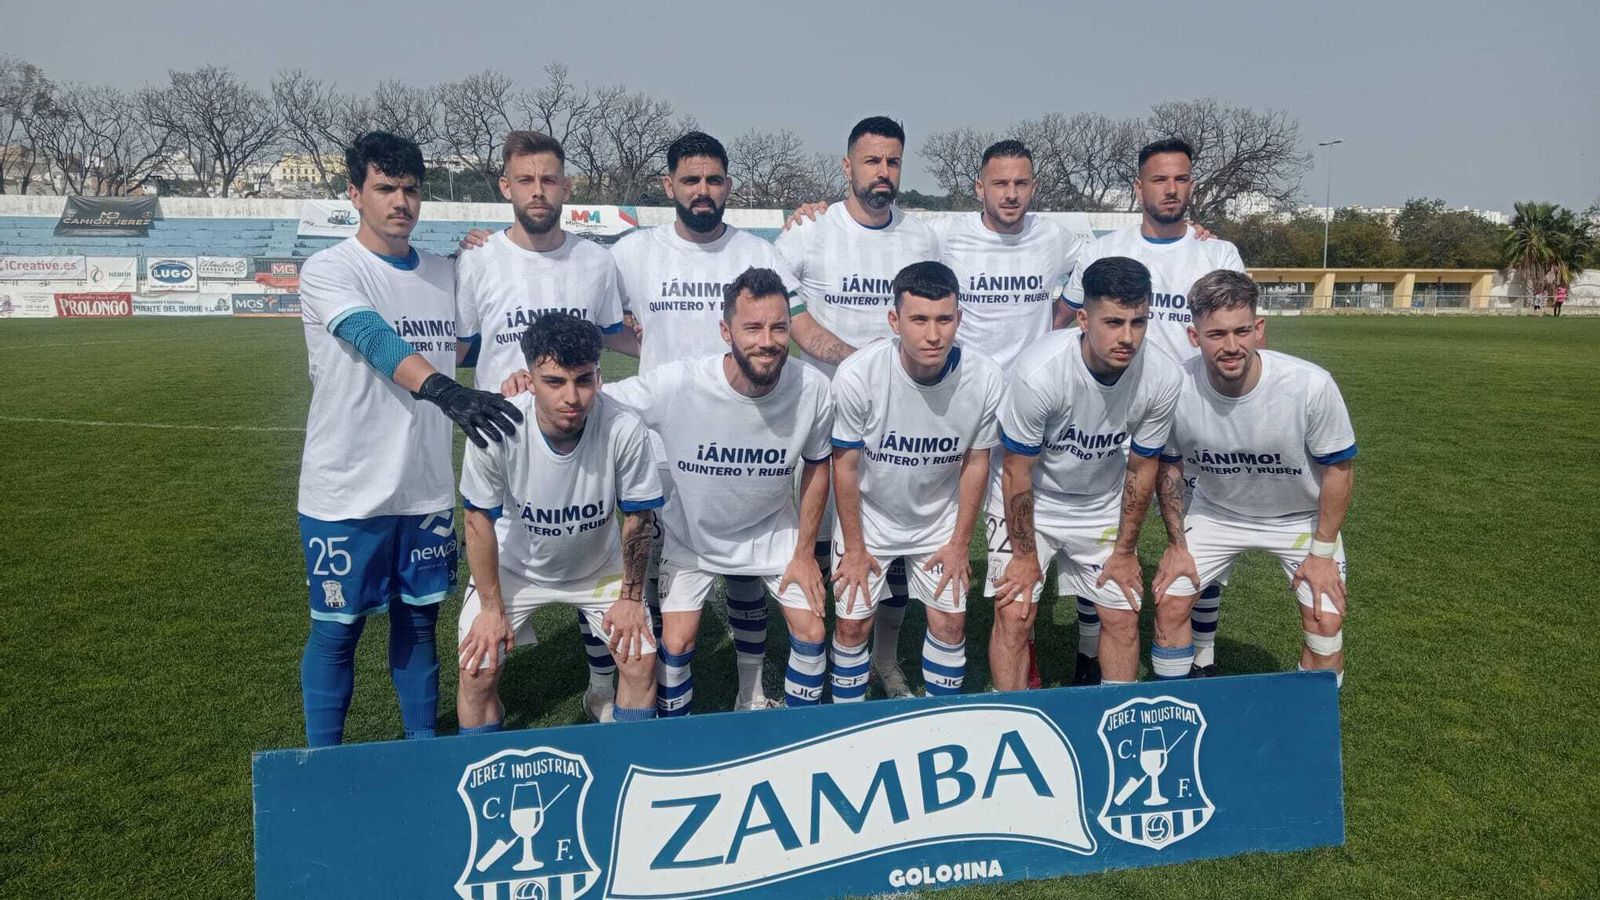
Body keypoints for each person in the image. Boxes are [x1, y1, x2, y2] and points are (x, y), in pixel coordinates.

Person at [296, 131, 522, 747]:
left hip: (423, 487)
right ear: (354, 194)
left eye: (411, 190)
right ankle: (326, 761)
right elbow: (374, 339)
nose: (401, 201)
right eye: (385, 188)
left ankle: (421, 747)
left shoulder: (447, 274)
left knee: (420, 625)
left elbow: (484, 342)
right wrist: (447, 392)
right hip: (344, 490)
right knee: (338, 629)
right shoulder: (330, 269)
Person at [455, 130, 637, 722]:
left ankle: (603, 686)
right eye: (526, 180)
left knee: (590, 547)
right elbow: (458, 347)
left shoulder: (595, 260)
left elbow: (615, 337)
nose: (538, 191)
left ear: (566, 186)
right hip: (505, 451)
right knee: (484, 637)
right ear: (506, 186)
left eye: (549, 179)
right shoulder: (478, 260)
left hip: (579, 441)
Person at [600, 267, 834, 711]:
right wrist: (522, 390)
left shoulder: (813, 390)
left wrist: (804, 553)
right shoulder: (679, 383)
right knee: (679, 641)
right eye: (752, 327)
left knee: (812, 631)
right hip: (692, 539)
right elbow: (599, 399)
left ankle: (789, 726)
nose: (767, 340)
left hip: (773, 534)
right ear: (726, 331)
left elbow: (818, 465)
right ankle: (681, 739)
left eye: (779, 327)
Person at [1063, 137, 1246, 683]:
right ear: (1139, 187)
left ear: (1192, 184)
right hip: (1113, 413)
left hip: (1193, 415)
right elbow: (1071, 320)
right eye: (1160, 179)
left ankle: (1202, 657)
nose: (1171, 189)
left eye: (1182, 178)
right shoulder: (1104, 248)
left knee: (1194, 534)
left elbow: (1237, 331)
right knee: (1099, 531)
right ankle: (1088, 651)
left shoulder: (1218, 253)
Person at [774, 115, 941, 697]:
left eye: (893, 162)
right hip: (821, 412)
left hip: (899, 419)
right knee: (821, 543)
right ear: (847, 167)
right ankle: (815, 656)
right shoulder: (810, 232)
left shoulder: (921, 237)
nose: (883, 172)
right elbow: (788, 313)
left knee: (888, 545)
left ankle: (885, 661)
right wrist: (853, 364)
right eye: (872, 161)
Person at [455, 313, 663, 733]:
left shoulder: (624, 427)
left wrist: (629, 598)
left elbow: (639, 519)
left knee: (640, 661)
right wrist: (491, 609)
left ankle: (627, 765)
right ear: (529, 378)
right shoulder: (497, 428)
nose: (573, 397)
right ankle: (481, 773)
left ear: (598, 377)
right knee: (477, 668)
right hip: (515, 570)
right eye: (554, 382)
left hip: (598, 569)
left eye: (584, 380)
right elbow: (477, 522)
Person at [1152, 270, 1355, 685]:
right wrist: (1177, 545)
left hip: (1299, 518)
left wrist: (1320, 554)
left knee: (1325, 619)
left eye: (1241, 331)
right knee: (1170, 601)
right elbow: (1169, 466)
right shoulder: (1175, 387)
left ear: (1259, 329)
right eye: (1216, 334)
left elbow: (1339, 470)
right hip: (1217, 512)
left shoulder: (1310, 385)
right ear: (1194, 336)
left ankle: (1307, 723)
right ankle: (1179, 705)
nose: (1231, 346)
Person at [987, 256, 1181, 690]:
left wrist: (1127, 550)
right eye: (1113, 322)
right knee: (1015, 614)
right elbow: (1017, 473)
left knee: (1124, 614)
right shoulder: (1039, 373)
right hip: (1032, 499)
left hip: (1099, 503)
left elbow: (1142, 467)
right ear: (1082, 318)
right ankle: (1012, 716)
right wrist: (1022, 556)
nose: (1127, 337)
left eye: (1139, 322)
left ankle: (1116, 717)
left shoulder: (1162, 376)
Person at [829, 261, 1002, 701]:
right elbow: (844, 465)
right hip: (869, 518)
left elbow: (976, 462)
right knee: (852, 624)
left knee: (949, 621)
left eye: (945, 320)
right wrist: (854, 547)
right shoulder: (857, 375)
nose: (933, 334)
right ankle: (848, 725)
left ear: (959, 319)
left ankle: (937, 722)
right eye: (919, 320)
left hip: (937, 520)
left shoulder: (984, 378)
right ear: (895, 320)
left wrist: (962, 543)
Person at [931, 139, 1084, 375]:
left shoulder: (1051, 235)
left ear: (1034, 187)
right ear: (980, 188)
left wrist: (1063, 315)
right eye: (1000, 184)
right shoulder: (948, 234)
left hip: (1032, 382)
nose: (1011, 194)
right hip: (966, 383)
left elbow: (1093, 262)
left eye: (1021, 183)